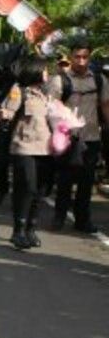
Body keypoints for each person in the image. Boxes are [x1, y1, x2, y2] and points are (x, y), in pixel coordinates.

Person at [47, 40, 108, 232]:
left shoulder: (99, 80)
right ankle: (59, 217)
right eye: (77, 57)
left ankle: (83, 220)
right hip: (67, 139)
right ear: (70, 57)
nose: (81, 61)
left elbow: (105, 105)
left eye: (85, 57)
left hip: (91, 138)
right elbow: (50, 108)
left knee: (86, 181)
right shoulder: (59, 81)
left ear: (89, 57)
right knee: (64, 180)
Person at [5, 57, 51, 250]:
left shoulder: (43, 95)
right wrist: (3, 114)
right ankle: (18, 231)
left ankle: (31, 229)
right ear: (36, 71)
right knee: (27, 188)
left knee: (40, 190)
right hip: (24, 147)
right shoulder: (18, 91)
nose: (47, 73)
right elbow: (7, 112)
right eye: (45, 70)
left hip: (45, 149)